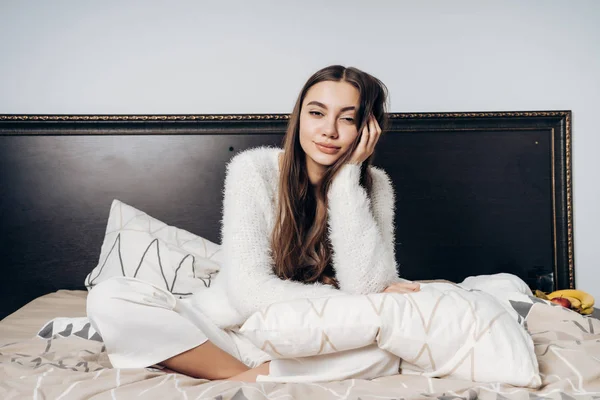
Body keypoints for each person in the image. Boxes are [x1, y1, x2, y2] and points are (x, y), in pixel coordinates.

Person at [87, 65, 420, 383]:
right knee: (110, 297)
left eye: (348, 119)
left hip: (318, 341)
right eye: (316, 113)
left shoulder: (374, 186)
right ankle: (245, 377)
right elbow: (250, 292)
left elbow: (367, 286)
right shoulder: (253, 170)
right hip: (233, 334)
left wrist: (348, 182)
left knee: (392, 351)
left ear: (369, 130)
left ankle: (254, 375)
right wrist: (357, 306)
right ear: (299, 116)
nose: (329, 130)